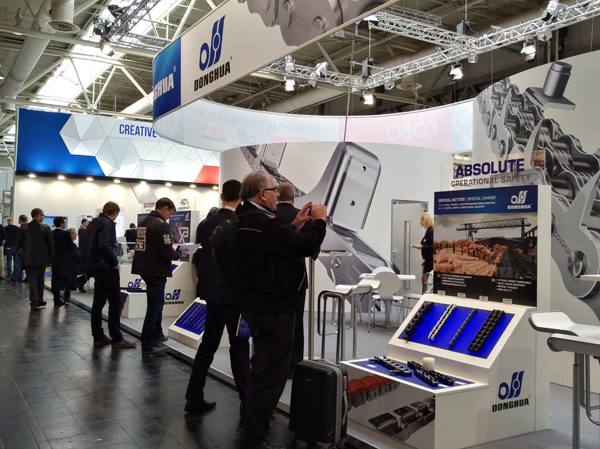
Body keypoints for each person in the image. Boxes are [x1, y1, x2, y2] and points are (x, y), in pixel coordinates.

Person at [235, 172, 327, 449]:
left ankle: (248, 424)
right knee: (270, 376)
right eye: (274, 190)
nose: (277, 194)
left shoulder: (244, 218)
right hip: (274, 309)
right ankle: (254, 436)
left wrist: (296, 225)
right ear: (263, 193)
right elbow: (306, 246)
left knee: (261, 368)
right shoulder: (263, 222)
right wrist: (319, 221)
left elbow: (276, 247)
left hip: (256, 304)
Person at [185, 180, 250, 414]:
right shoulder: (240, 222)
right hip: (234, 297)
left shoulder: (205, 224)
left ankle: (194, 396)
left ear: (222, 196)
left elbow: (200, 259)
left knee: (208, 346)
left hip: (212, 295)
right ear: (241, 197)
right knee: (240, 348)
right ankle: (248, 402)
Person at [132, 198, 187, 358]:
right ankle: (148, 345)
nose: (170, 216)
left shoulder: (143, 222)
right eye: (170, 213)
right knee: (155, 307)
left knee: (155, 304)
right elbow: (167, 251)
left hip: (144, 268)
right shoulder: (161, 225)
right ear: (164, 208)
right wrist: (179, 253)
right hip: (156, 269)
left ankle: (157, 335)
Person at [81, 202, 137, 349]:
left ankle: (99, 336)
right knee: (115, 302)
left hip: (96, 267)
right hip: (106, 268)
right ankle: (117, 338)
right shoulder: (107, 223)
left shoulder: (94, 223)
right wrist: (114, 262)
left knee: (98, 302)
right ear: (115, 213)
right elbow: (104, 244)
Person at [275, 182, 310, 378]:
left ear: (276, 196)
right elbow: (312, 248)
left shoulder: (270, 216)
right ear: (294, 198)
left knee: (274, 322)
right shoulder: (303, 216)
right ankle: (294, 365)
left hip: (273, 277)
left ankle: (276, 363)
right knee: (296, 323)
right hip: (298, 278)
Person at [17, 208, 54, 311]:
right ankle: (40, 299)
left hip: (28, 258)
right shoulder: (45, 227)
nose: (43, 217)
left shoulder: (24, 228)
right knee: (40, 279)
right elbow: (51, 244)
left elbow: (19, 244)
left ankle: (34, 301)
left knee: (32, 280)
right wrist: (50, 258)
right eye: (42, 215)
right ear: (38, 215)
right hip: (42, 259)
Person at [51, 217, 77, 307]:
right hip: (65, 260)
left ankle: (56, 298)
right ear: (61, 224)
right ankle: (66, 297)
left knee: (55, 280)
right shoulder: (66, 234)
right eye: (64, 223)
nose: (65, 224)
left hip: (55, 260)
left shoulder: (51, 233)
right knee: (67, 279)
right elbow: (71, 247)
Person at [412, 212, 434, 293]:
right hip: (428, 259)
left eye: (421, 219)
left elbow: (434, 246)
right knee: (424, 279)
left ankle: (425, 296)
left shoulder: (431, 231)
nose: (420, 221)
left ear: (425, 220)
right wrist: (425, 259)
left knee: (425, 279)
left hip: (431, 260)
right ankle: (424, 296)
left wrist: (422, 247)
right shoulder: (426, 232)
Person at [67, 228, 86, 293]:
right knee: (90, 270)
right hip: (74, 265)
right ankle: (78, 281)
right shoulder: (72, 245)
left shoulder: (69, 244)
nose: (76, 235)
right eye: (75, 233)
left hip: (72, 265)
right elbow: (77, 256)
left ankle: (78, 281)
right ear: (71, 234)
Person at [5, 218, 20, 282]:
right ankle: (15, 274)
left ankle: (9, 273)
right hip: (16, 246)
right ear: (13, 221)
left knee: (9, 260)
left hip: (8, 245)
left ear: (8, 221)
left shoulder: (6, 228)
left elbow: (4, 236)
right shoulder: (17, 228)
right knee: (16, 261)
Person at [14, 215, 28, 282]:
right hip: (28, 248)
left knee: (19, 263)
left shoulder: (22, 228)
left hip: (22, 248)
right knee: (26, 263)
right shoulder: (28, 227)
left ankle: (16, 277)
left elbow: (19, 240)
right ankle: (25, 277)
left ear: (20, 219)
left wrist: (17, 249)